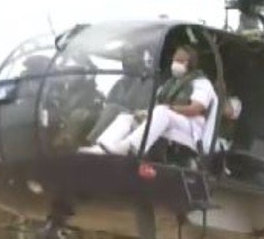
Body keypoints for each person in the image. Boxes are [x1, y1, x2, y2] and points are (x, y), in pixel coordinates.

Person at [85, 45, 214, 156]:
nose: (175, 63)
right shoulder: (170, 84)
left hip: (191, 126)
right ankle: (102, 146)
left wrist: (169, 109)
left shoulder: (201, 82)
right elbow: (158, 106)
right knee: (127, 117)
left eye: (180, 60)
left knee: (162, 111)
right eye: (175, 60)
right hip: (168, 119)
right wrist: (145, 113)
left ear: (188, 63)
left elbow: (197, 108)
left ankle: (131, 146)